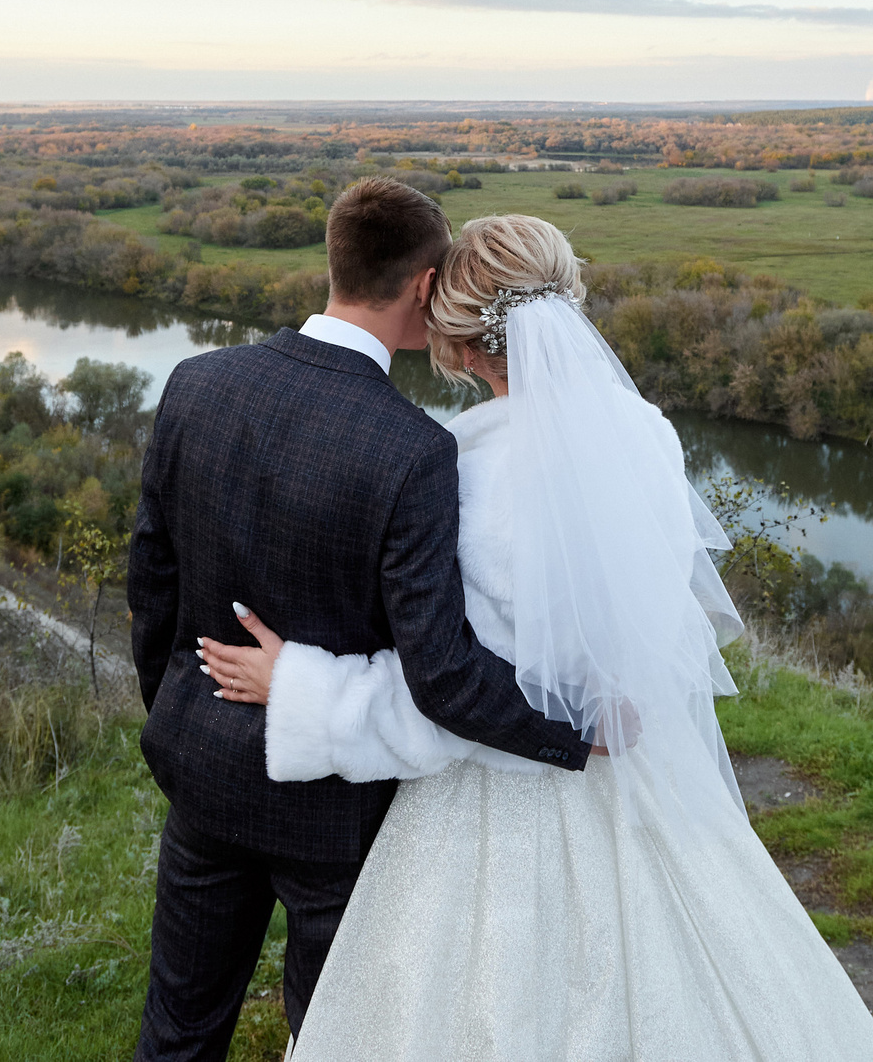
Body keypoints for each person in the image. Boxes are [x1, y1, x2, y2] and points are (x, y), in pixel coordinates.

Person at [200, 213, 873, 1062]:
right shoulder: (645, 433)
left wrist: (303, 687)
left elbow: (453, 692)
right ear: (565, 304)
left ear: (462, 344)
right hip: (641, 777)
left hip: (495, 810)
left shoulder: (456, 469)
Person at [126, 181, 597, 1062]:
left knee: (178, 1031)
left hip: (203, 770)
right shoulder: (413, 449)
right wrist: (576, 727)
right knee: (332, 1033)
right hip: (335, 807)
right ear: (423, 286)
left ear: (335, 259)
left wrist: (181, 713)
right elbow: (442, 671)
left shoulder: (196, 383)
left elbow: (152, 585)